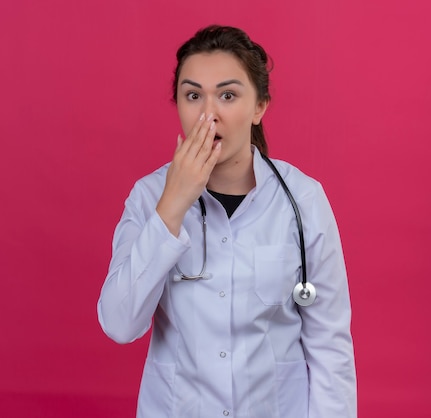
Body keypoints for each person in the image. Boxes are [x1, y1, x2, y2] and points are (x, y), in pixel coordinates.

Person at [97, 25, 356, 418]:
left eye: (228, 95)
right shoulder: (150, 196)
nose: (207, 113)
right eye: (193, 95)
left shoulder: (303, 199)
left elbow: (330, 347)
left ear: (259, 107)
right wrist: (172, 206)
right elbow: (119, 324)